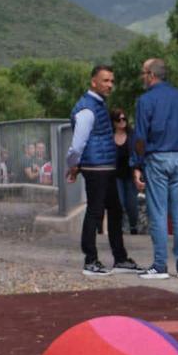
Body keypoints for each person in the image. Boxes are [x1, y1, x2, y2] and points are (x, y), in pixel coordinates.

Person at [63, 64, 138, 275]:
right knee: (96, 211)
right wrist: (73, 165)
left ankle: (120, 258)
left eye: (112, 81)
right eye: (105, 80)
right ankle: (90, 260)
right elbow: (77, 143)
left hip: (104, 166)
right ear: (93, 82)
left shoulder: (98, 105)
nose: (110, 85)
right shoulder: (87, 108)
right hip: (96, 167)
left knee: (114, 210)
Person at [131, 57, 178, 278]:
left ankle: (160, 265)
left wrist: (137, 164)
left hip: (156, 157)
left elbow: (140, 136)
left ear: (151, 75)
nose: (142, 77)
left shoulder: (145, 101)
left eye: (143, 72)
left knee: (158, 212)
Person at [112, 109, 141, 235]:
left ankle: (133, 226)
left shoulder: (132, 135)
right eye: (119, 119)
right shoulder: (109, 136)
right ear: (113, 122)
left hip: (130, 173)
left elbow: (139, 153)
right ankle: (119, 229)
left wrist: (138, 172)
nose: (122, 122)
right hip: (116, 175)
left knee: (132, 204)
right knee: (119, 203)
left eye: (124, 119)